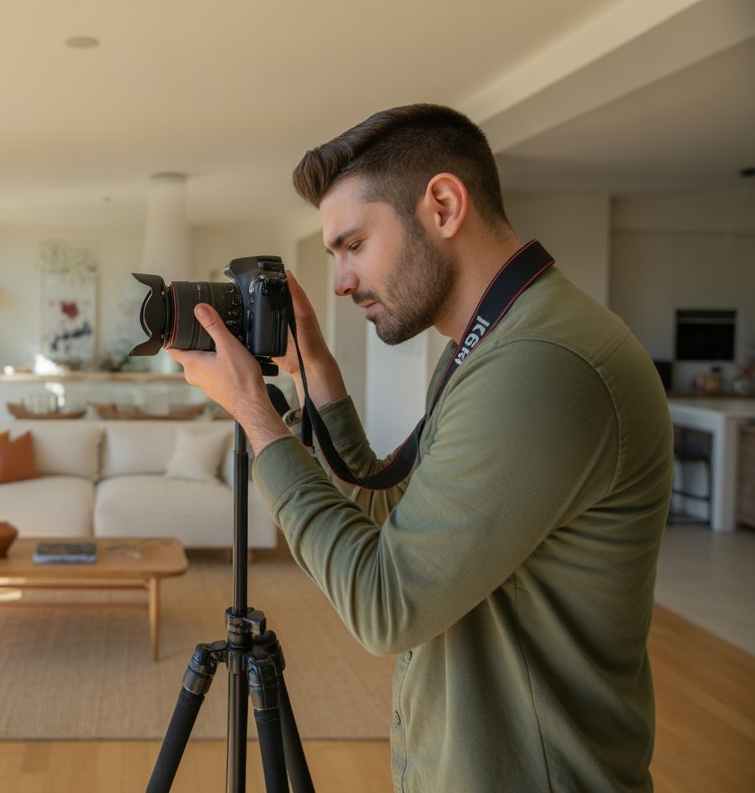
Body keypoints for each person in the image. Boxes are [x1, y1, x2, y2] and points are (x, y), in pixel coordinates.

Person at [168, 104, 673, 792]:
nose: (341, 282)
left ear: (441, 205)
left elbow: (385, 605)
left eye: (352, 245)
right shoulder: (494, 347)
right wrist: (316, 374)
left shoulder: (541, 366)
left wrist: (258, 418)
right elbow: (391, 520)